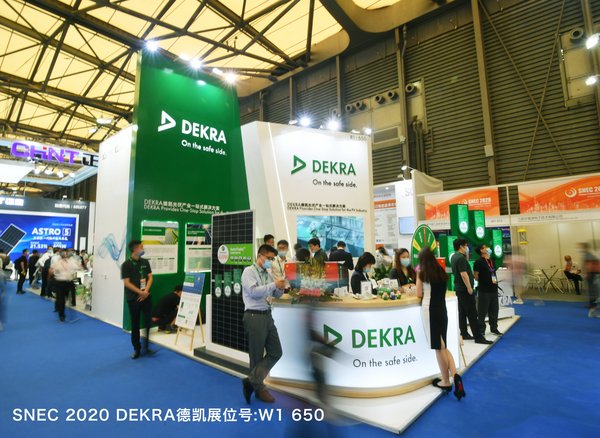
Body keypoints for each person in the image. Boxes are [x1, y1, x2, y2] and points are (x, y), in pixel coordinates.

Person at [416, 247, 465, 400]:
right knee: (443, 346)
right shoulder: (440, 271)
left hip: (429, 311)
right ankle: (455, 376)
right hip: (442, 310)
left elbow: (418, 293)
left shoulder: (422, 272)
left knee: (439, 348)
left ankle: (446, 381)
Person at [241, 244, 286, 404]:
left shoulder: (268, 274)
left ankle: (251, 381)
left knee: (276, 352)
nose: (270, 261)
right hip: (254, 316)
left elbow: (275, 294)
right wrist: (274, 285)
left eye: (272, 259)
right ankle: (259, 389)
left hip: (267, 315)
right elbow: (253, 292)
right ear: (260, 256)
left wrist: (281, 287)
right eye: (269, 258)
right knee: (256, 356)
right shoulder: (249, 272)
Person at [450, 239, 492, 345]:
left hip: (459, 289)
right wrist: (469, 288)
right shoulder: (461, 258)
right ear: (461, 246)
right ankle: (478, 337)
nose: (467, 248)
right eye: (466, 245)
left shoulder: (454, 257)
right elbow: (464, 274)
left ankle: (464, 333)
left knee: (462, 312)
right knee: (472, 313)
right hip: (465, 290)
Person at [121, 240, 154, 359]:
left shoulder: (145, 262)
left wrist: (145, 292)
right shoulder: (126, 264)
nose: (143, 248)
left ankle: (146, 346)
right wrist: (140, 292)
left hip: (146, 297)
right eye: (141, 247)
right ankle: (137, 348)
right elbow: (126, 283)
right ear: (135, 249)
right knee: (135, 324)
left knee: (148, 322)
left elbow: (150, 277)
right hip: (133, 299)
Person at [474, 244, 502, 337]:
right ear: (481, 250)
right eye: (485, 247)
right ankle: (481, 330)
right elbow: (476, 275)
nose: (488, 248)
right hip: (484, 290)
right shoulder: (478, 262)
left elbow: (493, 271)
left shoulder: (491, 260)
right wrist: (483, 281)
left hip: (493, 289)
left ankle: (494, 328)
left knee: (494, 310)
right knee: (482, 311)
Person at [49, 249, 80, 322]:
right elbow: (51, 270)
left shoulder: (71, 261)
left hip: (68, 282)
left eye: (66, 253)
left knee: (65, 297)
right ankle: (61, 315)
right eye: (64, 254)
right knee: (61, 299)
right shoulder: (58, 262)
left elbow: (78, 267)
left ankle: (60, 308)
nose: (65, 255)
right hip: (59, 282)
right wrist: (52, 274)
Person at [580, 242, 600, 316]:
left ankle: (593, 309)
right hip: (592, 275)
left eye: (581, 247)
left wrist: (587, 273)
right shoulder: (588, 255)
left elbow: (590, 265)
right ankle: (592, 309)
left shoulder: (589, 255)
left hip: (593, 275)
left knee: (594, 292)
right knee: (593, 292)